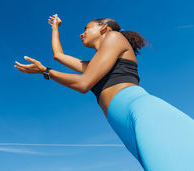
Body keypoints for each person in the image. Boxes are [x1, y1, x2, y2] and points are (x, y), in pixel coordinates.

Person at [14, 14, 194, 170]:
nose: (81, 33)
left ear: (103, 28)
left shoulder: (114, 37)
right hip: (122, 122)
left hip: (142, 111)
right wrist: (55, 28)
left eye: (86, 28)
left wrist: (46, 72)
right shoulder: (95, 65)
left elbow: (84, 84)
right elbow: (59, 56)